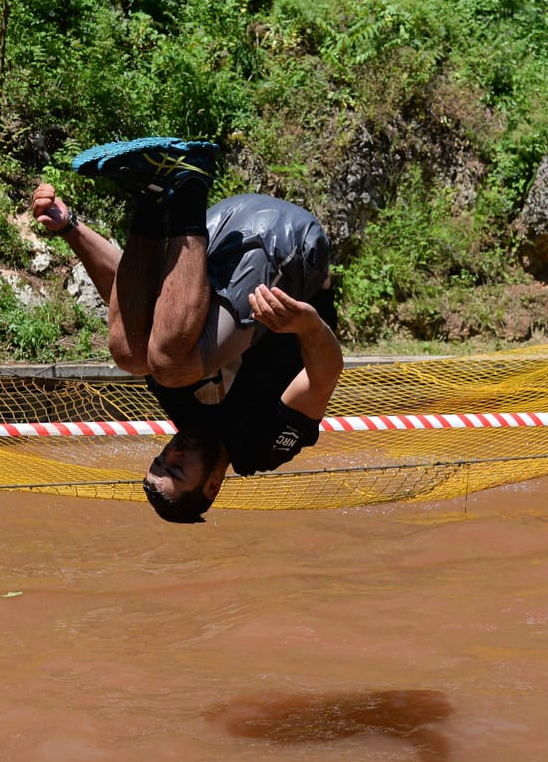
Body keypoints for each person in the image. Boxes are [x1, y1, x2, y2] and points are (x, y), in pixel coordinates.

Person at [32, 137, 343, 523]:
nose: (172, 452)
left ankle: (152, 192)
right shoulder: (260, 447)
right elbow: (324, 377)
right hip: (288, 249)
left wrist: (71, 228)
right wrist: (308, 325)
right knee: (165, 363)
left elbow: (131, 298)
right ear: (211, 486)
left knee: (133, 353)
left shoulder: (180, 408)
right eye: (177, 469)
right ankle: (190, 179)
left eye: (161, 459)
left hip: (216, 231)